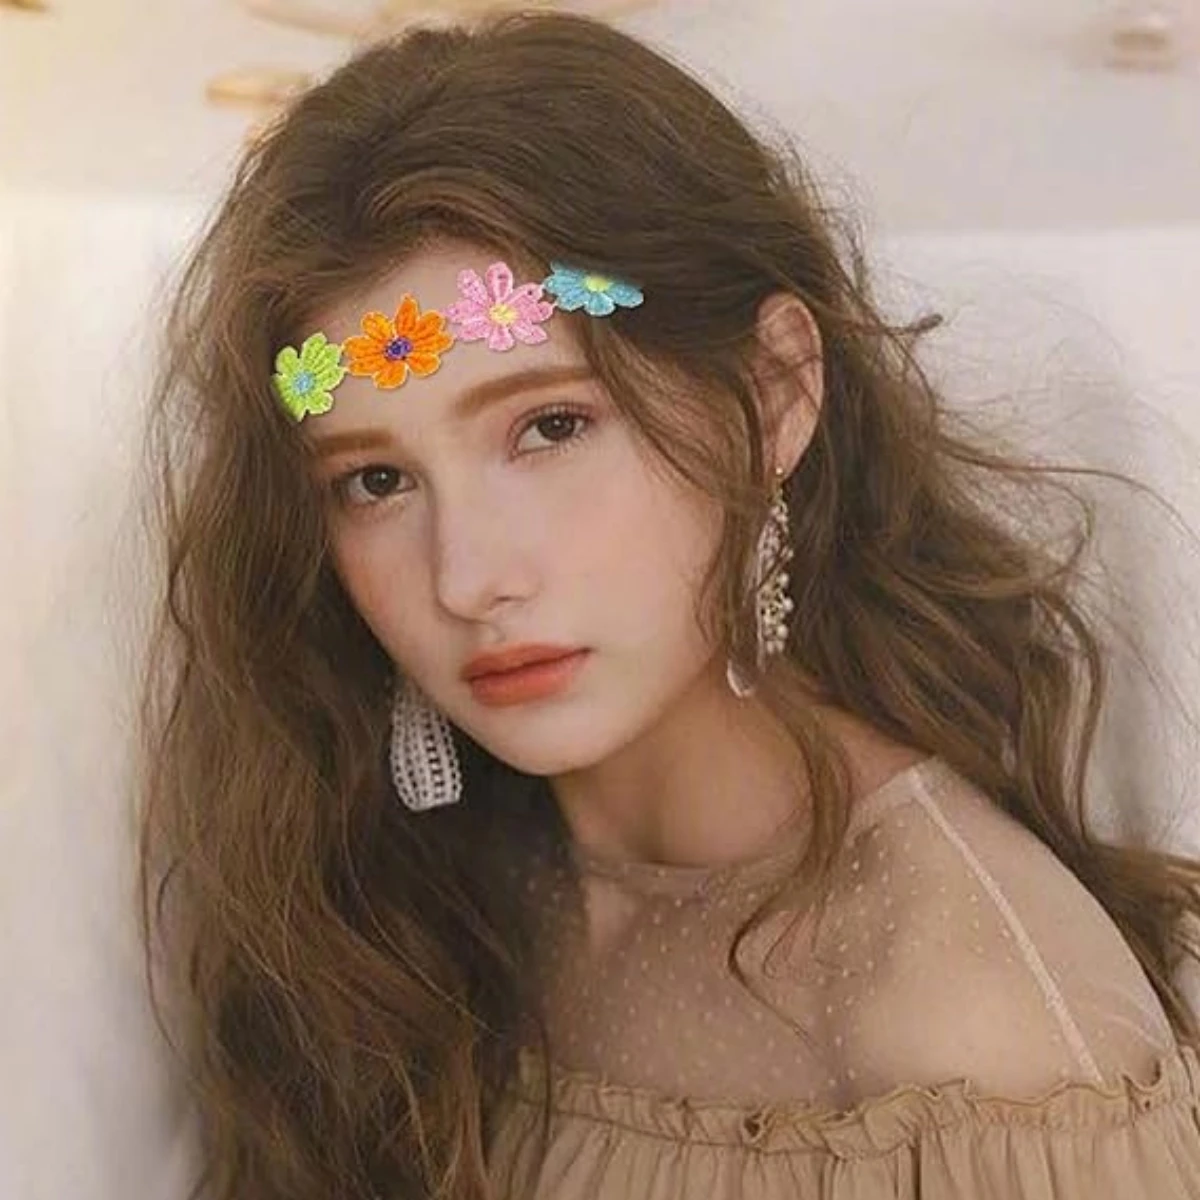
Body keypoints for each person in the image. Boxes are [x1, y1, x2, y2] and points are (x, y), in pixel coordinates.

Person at [137, 10, 1200, 1199]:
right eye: (376, 482)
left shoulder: (975, 1024)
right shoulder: (398, 902)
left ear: (775, 395)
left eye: (550, 427)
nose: (468, 578)